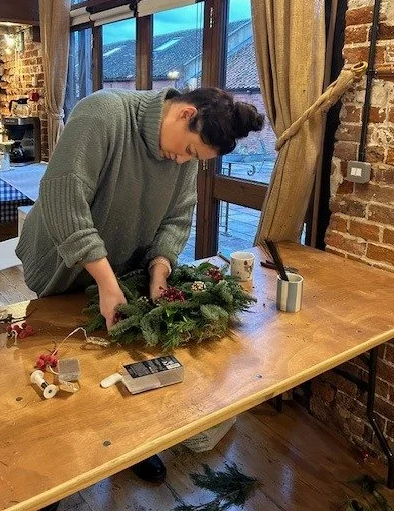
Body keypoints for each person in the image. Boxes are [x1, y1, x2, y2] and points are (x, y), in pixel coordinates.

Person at [17, 85, 264, 487]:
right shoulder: (103, 114)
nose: (184, 161)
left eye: (195, 158)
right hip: (62, 266)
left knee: (122, 359)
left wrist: (160, 269)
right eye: (189, 150)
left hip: (124, 270)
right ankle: (58, 468)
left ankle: (130, 445)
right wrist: (105, 280)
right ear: (185, 114)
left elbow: (178, 217)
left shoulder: (184, 153)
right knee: (65, 363)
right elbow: (64, 199)